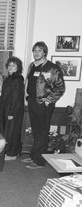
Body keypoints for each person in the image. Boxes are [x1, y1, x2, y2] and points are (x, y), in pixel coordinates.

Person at [23, 41, 65, 169]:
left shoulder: (52, 68)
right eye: (34, 50)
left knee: (42, 131)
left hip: (43, 104)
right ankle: (34, 155)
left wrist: (48, 100)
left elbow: (60, 87)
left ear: (45, 52)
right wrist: (26, 97)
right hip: (32, 101)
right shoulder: (32, 66)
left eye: (39, 50)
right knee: (36, 131)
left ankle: (39, 161)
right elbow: (29, 81)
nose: (36, 53)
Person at [0, 57, 25, 161]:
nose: (10, 67)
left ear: (18, 67)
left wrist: (12, 112)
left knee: (13, 131)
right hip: (6, 109)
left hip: (13, 110)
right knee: (7, 131)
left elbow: (16, 97)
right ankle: (7, 152)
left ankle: (12, 154)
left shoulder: (17, 79)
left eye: (13, 65)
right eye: (9, 65)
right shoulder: (9, 78)